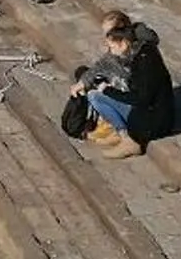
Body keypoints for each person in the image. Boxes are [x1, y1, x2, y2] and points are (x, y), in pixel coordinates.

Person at [72, 10, 175, 157]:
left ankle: (131, 141)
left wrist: (108, 90)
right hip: (143, 107)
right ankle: (121, 133)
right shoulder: (131, 49)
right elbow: (103, 64)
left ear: (122, 38)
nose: (106, 40)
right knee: (93, 90)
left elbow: (141, 98)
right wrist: (84, 82)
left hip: (150, 119)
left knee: (98, 94)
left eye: (109, 34)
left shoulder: (143, 58)